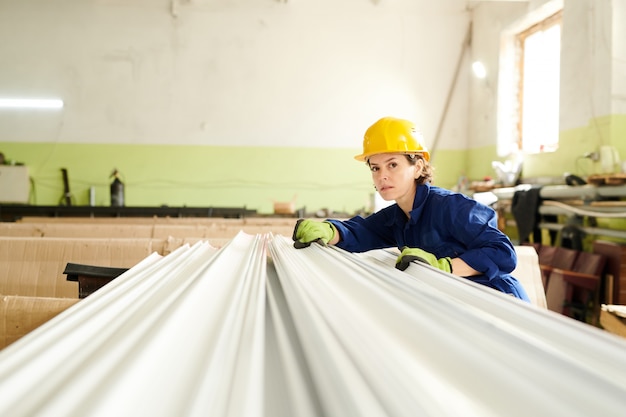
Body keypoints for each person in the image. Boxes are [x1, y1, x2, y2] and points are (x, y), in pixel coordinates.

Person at [292, 116, 530, 302]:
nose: (382, 176)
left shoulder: (450, 207)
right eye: (375, 168)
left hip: (500, 303)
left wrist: (444, 267)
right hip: (461, 305)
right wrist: (328, 230)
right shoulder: (397, 216)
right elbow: (360, 232)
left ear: (417, 168)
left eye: (392, 165)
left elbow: (503, 252)